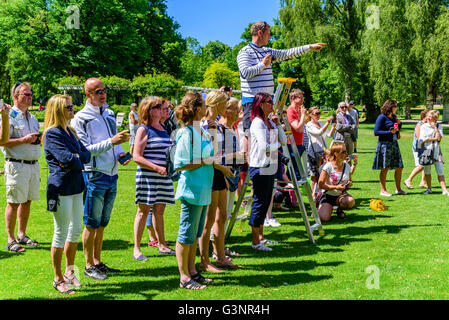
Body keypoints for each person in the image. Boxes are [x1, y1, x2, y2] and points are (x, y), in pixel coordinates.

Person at [237, 21, 326, 165]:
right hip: (252, 101)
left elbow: (287, 53)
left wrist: (309, 47)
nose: (270, 36)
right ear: (260, 33)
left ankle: (268, 163)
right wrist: (262, 65)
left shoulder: (268, 51)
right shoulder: (244, 52)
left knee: (268, 131)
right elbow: (245, 73)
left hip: (267, 101)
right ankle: (251, 163)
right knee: (250, 132)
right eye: (268, 33)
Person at [71, 78, 131, 280]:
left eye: (104, 90)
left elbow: (114, 142)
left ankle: (97, 261)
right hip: (94, 174)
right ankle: (88, 266)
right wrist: (112, 142)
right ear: (87, 94)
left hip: (112, 173)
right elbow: (85, 151)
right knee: (91, 222)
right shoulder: (80, 118)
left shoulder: (109, 113)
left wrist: (121, 152)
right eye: (97, 91)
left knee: (102, 223)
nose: (102, 94)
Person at [43, 94, 91, 294]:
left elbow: (85, 156)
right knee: (61, 233)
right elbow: (66, 159)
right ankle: (58, 278)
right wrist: (74, 158)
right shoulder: (52, 133)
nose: (72, 110)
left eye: (72, 107)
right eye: (69, 108)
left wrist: (74, 158)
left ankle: (70, 273)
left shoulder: (70, 131)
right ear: (58, 110)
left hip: (76, 186)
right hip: (60, 188)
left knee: (75, 231)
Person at [173, 91, 215, 290]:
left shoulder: (201, 130)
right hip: (191, 190)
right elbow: (180, 163)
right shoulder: (186, 132)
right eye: (205, 105)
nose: (207, 109)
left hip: (203, 189)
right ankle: (183, 277)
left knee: (194, 234)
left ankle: (192, 271)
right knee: (186, 234)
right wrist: (204, 161)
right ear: (198, 109)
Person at [132, 96, 175, 261]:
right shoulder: (144, 129)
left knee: (159, 211)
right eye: (157, 106)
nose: (161, 109)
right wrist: (156, 167)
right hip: (148, 176)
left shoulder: (163, 128)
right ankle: (137, 249)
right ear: (148, 110)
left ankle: (162, 245)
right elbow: (136, 156)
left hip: (163, 176)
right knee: (143, 212)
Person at [199, 90, 236, 272]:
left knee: (221, 218)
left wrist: (224, 171)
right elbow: (207, 157)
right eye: (224, 103)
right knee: (209, 220)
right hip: (211, 174)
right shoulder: (205, 125)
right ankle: (204, 260)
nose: (226, 107)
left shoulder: (216, 125)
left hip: (220, 174)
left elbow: (218, 154)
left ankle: (220, 256)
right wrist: (223, 169)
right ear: (217, 104)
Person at [2, 82, 41, 253]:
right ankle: (10, 240)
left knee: (27, 201)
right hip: (16, 165)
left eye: (31, 94)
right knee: (14, 202)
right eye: (26, 94)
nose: (30, 97)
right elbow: (2, 141)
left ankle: (21, 235)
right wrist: (23, 140)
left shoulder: (32, 118)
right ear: (16, 96)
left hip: (33, 165)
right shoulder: (8, 115)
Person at [248, 92, 287, 252]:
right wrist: (277, 144)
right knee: (259, 202)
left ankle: (261, 238)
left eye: (272, 101)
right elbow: (265, 147)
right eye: (269, 102)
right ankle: (255, 241)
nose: (272, 104)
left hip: (269, 166)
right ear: (260, 104)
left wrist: (278, 125)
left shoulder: (269, 122)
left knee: (265, 203)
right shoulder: (257, 123)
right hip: (259, 167)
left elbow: (284, 141)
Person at [372, 99, 407, 196]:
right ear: (390, 107)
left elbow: (397, 129)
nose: (396, 108)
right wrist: (389, 132)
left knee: (399, 167)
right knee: (385, 167)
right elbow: (376, 132)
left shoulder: (393, 117)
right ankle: (383, 190)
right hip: (385, 145)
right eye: (395, 106)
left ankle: (398, 189)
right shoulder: (381, 117)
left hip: (394, 144)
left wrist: (400, 124)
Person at [317, 144, 355, 222]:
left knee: (350, 201)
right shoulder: (328, 166)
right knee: (324, 218)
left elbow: (350, 180)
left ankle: (339, 210)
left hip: (341, 195)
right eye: (343, 152)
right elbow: (320, 185)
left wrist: (349, 184)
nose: (346, 154)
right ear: (335, 153)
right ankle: (322, 206)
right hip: (328, 196)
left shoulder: (347, 166)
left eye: (346, 152)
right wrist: (336, 187)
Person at [418, 110, 449, 196]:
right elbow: (424, 139)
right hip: (426, 151)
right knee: (427, 170)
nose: (428, 118)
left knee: (440, 170)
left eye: (430, 117)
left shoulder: (439, 126)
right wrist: (435, 138)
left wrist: (435, 128)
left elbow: (440, 138)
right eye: (427, 116)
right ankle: (429, 188)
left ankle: (444, 190)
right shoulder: (423, 126)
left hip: (437, 151)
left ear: (435, 118)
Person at [305, 106, 334, 197]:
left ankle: (320, 194)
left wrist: (333, 126)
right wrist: (328, 122)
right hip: (313, 153)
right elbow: (318, 133)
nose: (318, 115)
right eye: (316, 113)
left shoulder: (321, 124)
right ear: (310, 115)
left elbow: (329, 135)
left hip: (323, 153)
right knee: (314, 175)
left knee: (323, 174)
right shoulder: (309, 125)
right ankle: (313, 195)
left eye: (319, 113)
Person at [404, 110, 428, 189]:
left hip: (426, 147)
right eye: (429, 116)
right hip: (418, 149)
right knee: (421, 166)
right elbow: (419, 138)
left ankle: (423, 182)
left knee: (425, 165)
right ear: (425, 116)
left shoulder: (426, 125)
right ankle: (408, 180)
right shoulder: (419, 125)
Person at [286, 89, 307, 179]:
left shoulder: (297, 110)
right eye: (300, 97)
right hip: (292, 144)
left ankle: (286, 191)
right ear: (293, 98)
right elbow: (298, 128)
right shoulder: (291, 111)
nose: (302, 99)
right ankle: (288, 191)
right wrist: (302, 115)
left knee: (293, 170)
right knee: (294, 172)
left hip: (298, 143)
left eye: (302, 97)